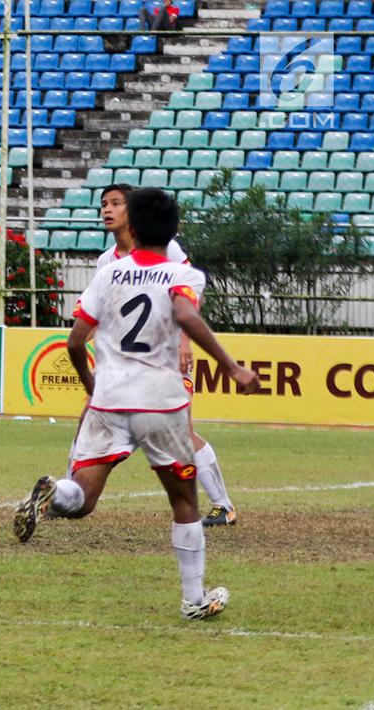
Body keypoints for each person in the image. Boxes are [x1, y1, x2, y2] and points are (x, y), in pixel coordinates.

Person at [13, 188, 261, 621]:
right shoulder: (184, 274)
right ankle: (194, 599)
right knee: (184, 502)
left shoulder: (108, 273)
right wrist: (232, 367)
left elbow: (75, 342)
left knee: (83, 498)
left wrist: (92, 386)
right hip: (160, 403)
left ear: (135, 226)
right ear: (174, 229)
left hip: (108, 401)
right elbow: (185, 315)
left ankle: (56, 489)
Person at [98, 184, 238, 526]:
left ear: (132, 212)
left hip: (168, 357)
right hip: (130, 365)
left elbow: (189, 292)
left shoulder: (167, 248)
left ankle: (223, 506)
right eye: (104, 204)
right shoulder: (106, 261)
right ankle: (72, 493)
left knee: (181, 430)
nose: (107, 209)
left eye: (116, 203)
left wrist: (185, 342)